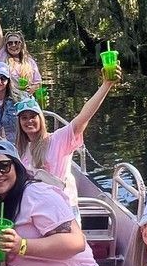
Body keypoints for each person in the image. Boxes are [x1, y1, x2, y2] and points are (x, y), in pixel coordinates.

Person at [13, 66, 119, 210]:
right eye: (24, 118)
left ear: (41, 119)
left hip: (62, 206)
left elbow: (83, 117)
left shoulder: (58, 139)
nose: (29, 121)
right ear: (19, 123)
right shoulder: (19, 149)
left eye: (33, 116)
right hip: (35, 206)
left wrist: (106, 85)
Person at [0, 5, 41, 93]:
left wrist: (33, 88)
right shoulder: (2, 56)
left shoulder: (30, 61)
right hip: (7, 97)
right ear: (6, 45)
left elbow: (38, 82)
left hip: (25, 98)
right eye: (10, 43)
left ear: (21, 44)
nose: (13, 45)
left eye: (16, 42)